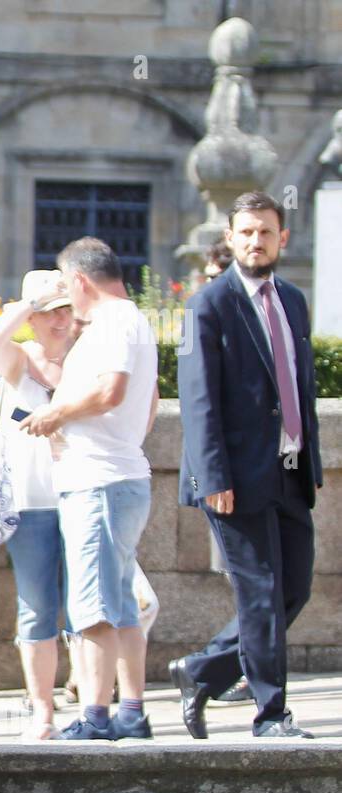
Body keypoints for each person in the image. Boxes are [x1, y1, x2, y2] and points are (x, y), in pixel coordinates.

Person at [171, 191, 322, 739]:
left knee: (293, 590)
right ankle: (271, 715)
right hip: (233, 476)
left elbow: (299, 389)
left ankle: (203, 668)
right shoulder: (207, 305)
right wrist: (213, 477)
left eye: (266, 232)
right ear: (230, 239)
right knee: (258, 591)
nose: (256, 241)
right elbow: (198, 398)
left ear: (283, 238)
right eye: (246, 233)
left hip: (288, 469)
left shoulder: (295, 302)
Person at [19, 237, 158, 741]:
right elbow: (145, 404)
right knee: (119, 602)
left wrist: (54, 413)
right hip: (117, 475)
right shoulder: (131, 321)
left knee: (93, 605)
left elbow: (110, 391)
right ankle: (132, 711)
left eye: (65, 285)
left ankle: (97, 715)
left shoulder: (115, 322)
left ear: (79, 279)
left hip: (99, 482)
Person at [0, 270, 75, 740]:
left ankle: (91, 698)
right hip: (32, 500)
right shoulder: (19, 360)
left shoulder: (88, 358)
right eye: (49, 312)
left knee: (90, 606)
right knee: (37, 607)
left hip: (85, 494)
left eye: (66, 309)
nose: (59, 320)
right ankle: (43, 711)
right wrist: (25, 303)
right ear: (33, 319)